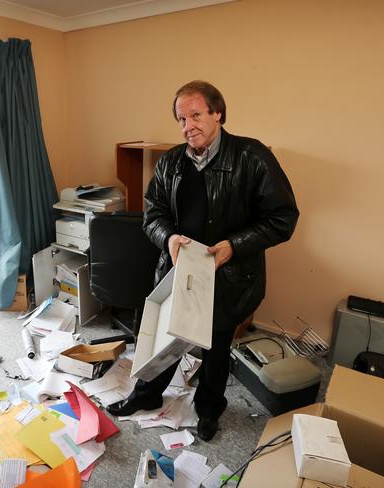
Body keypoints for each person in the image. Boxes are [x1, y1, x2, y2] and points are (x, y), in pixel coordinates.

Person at [107, 80, 299, 441]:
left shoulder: (252, 157)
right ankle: (145, 396)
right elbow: (153, 214)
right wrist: (168, 237)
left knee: (216, 346)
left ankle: (210, 408)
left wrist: (235, 245)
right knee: (165, 341)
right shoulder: (170, 162)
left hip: (229, 274)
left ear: (218, 114)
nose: (188, 126)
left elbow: (282, 218)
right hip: (179, 270)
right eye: (181, 119)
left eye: (196, 115)